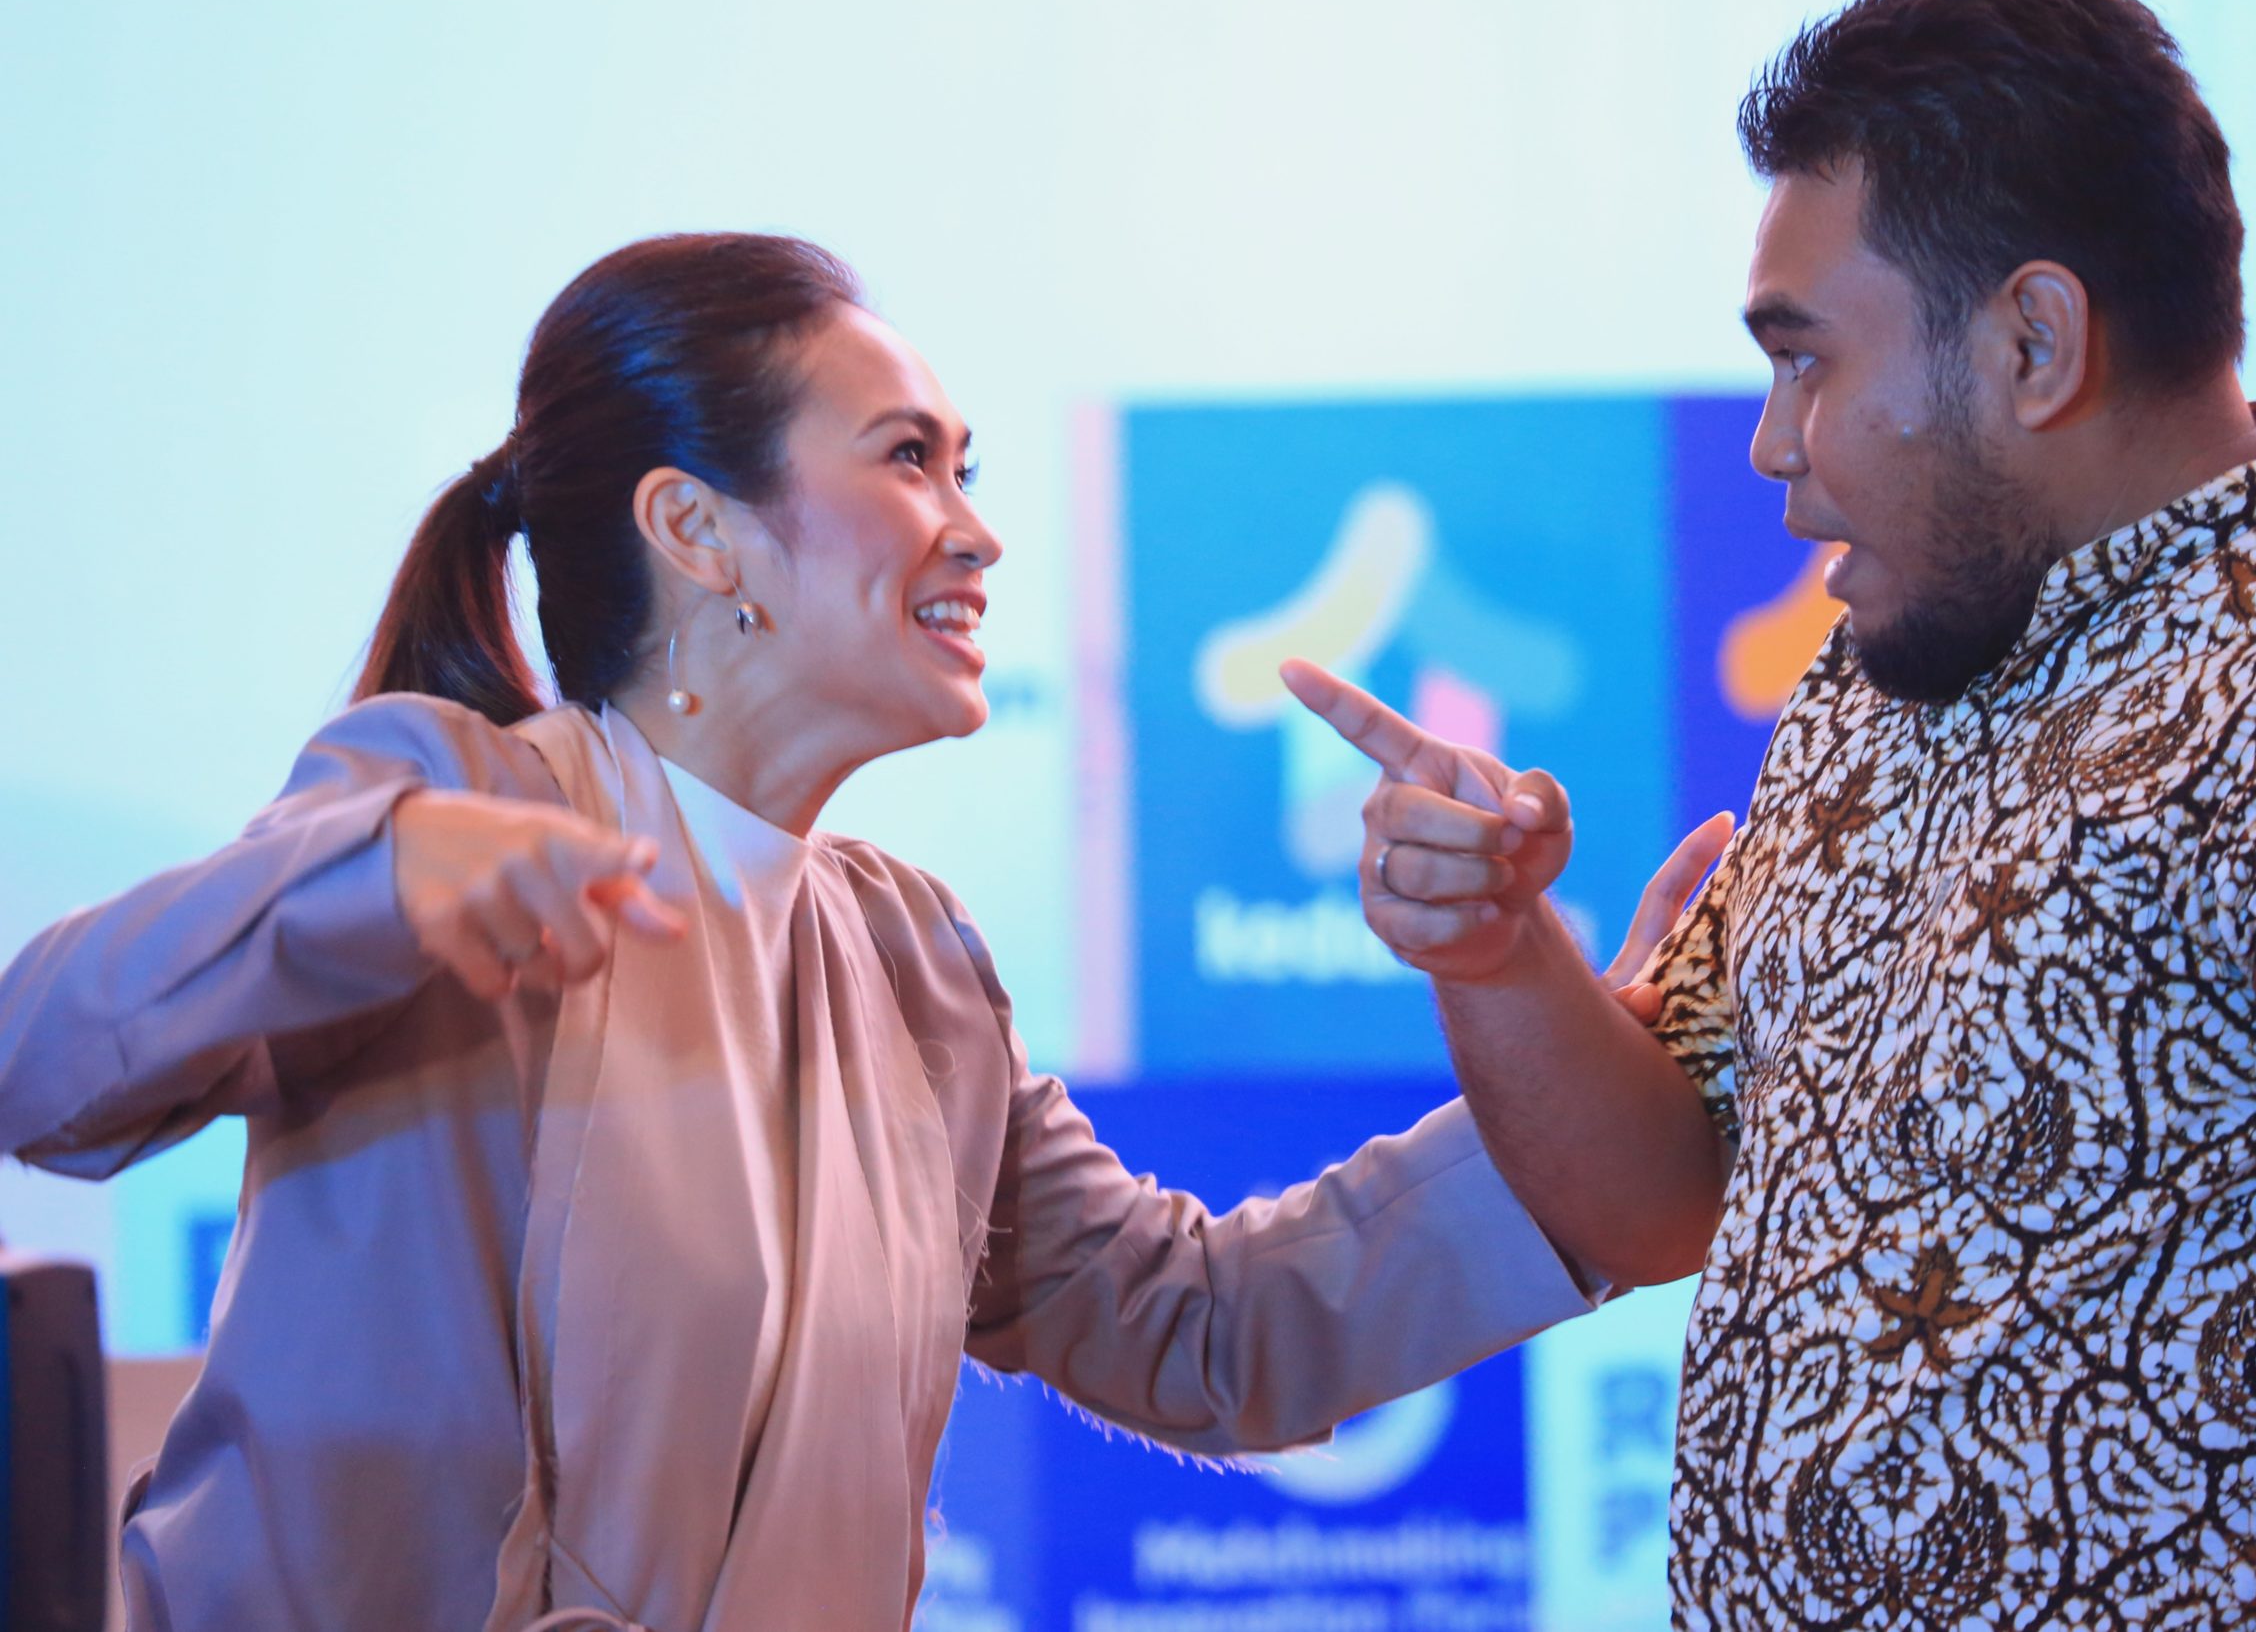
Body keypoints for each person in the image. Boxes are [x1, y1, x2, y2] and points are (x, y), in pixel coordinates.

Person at [0, 233, 1657, 1632]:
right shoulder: (442, 800)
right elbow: (41, 1063)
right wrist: (377, 878)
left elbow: (1210, 1332)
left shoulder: (914, 964)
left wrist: (1580, 1074)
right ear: (696, 530)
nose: (975, 528)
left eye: (963, 468)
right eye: (906, 458)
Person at [1286, 0, 2256, 1632]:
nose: (1772, 441)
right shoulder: (1881, 673)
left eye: (1806, 360)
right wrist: (1499, 950)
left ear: (2035, 341)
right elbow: (1666, 1195)